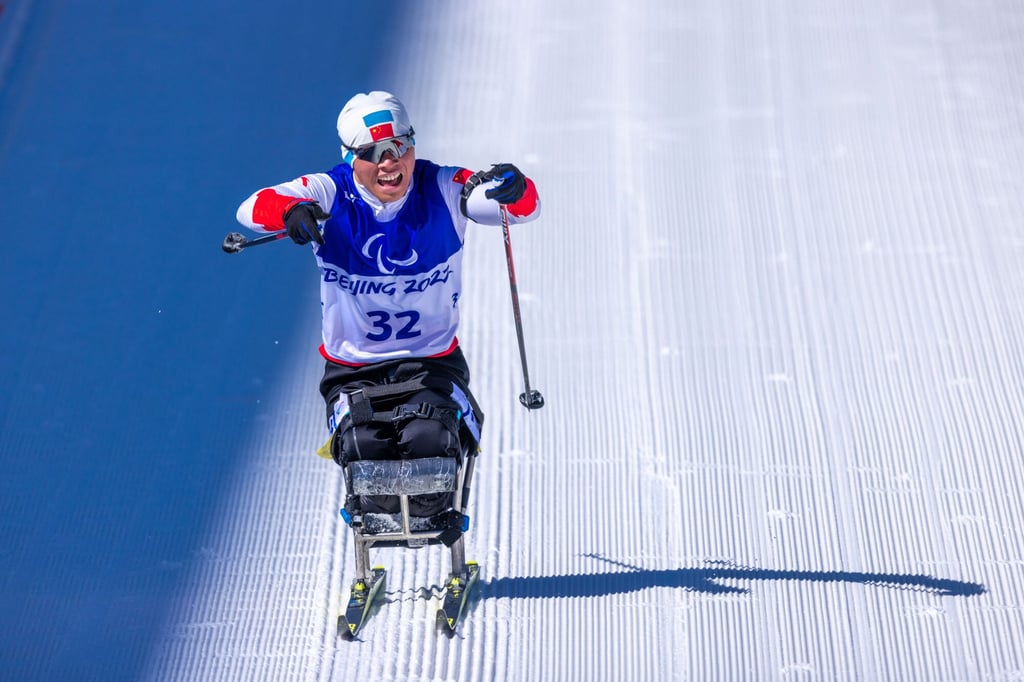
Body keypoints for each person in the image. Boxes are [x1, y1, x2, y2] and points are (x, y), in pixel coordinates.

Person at [235, 91, 541, 518]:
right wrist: (292, 210)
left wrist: (515, 188)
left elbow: (520, 208)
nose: (389, 161)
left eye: (400, 146)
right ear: (349, 158)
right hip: (353, 371)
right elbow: (250, 208)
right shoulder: (329, 191)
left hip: (431, 364)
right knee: (366, 453)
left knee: (428, 443)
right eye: (372, 152)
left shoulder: (443, 186)